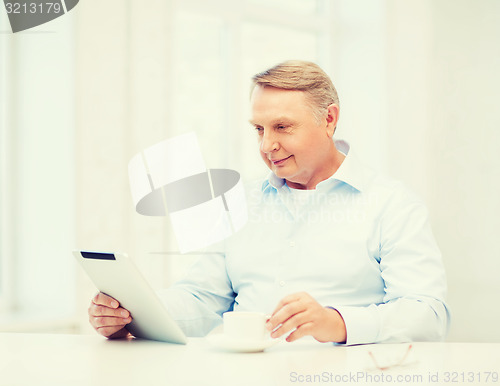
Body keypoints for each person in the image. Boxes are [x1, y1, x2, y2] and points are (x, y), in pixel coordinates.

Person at [88, 60, 450, 345]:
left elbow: (428, 313)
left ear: (329, 119)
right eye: (259, 129)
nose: (266, 146)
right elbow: (203, 299)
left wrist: (337, 322)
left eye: (282, 127)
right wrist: (133, 314)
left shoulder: (392, 205)